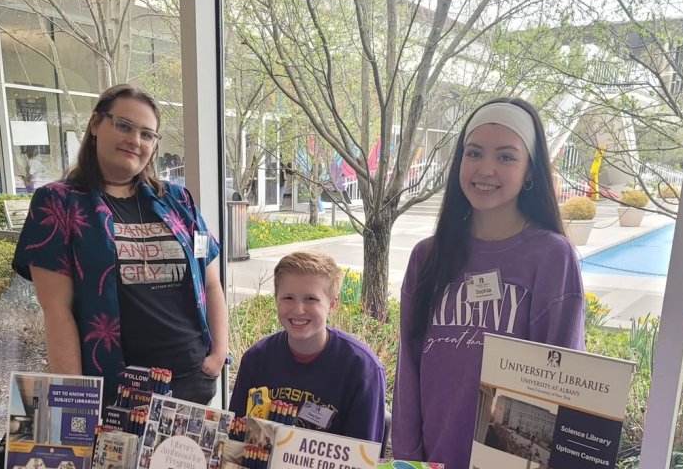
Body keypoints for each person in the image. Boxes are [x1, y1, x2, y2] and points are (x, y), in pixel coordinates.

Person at [392, 98, 585, 467]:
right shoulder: (427, 256)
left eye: (506, 157)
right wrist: (407, 458)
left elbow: (563, 386)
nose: (486, 169)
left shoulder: (551, 257)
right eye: (474, 153)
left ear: (530, 171)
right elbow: (409, 368)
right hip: (432, 460)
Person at [12, 84, 228, 407]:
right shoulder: (58, 204)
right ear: (96, 124)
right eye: (124, 126)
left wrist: (218, 353)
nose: (134, 140)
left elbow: (211, 283)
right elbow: (57, 312)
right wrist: (77, 400)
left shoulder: (177, 201)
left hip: (191, 382)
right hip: (118, 394)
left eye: (147, 134)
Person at [229, 251, 386, 442]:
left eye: (311, 299)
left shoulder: (362, 370)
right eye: (288, 298)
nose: (298, 309)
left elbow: (363, 452)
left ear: (333, 303)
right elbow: (235, 438)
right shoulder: (256, 359)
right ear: (276, 299)